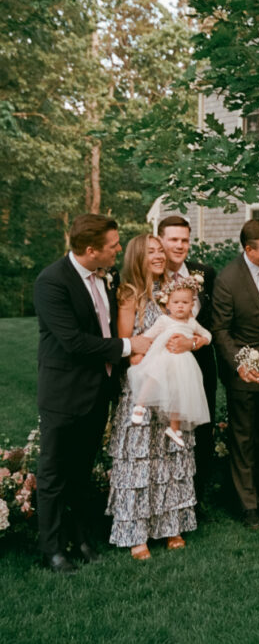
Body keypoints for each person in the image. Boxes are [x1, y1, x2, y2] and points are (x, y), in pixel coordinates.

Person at [34, 214, 151, 573]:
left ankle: (82, 539)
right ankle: (51, 549)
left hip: (99, 391)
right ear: (90, 250)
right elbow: (72, 342)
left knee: (83, 471)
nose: (119, 250)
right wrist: (129, 345)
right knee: (54, 473)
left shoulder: (106, 277)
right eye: (114, 246)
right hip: (65, 392)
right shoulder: (52, 282)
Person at [106, 234, 201, 560]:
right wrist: (153, 348)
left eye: (161, 250)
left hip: (175, 386)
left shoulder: (174, 291)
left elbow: (195, 333)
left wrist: (189, 343)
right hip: (144, 386)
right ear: (137, 257)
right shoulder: (130, 293)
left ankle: (171, 526)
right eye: (152, 252)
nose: (159, 255)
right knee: (142, 460)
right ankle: (136, 533)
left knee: (171, 456)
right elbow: (127, 345)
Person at [211, 219, 259, 529]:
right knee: (243, 440)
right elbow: (221, 330)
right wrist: (241, 363)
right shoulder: (228, 280)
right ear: (249, 250)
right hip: (244, 373)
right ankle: (247, 505)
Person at [157, 215, 218, 503]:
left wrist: (193, 342)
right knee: (163, 430)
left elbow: (213, 323)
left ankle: (195, 498)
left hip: (200, 366)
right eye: (173, 239)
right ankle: (164, 497)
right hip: (160, 369)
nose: (180, 246)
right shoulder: (149, 274)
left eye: (184, 240)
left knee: (200, 430)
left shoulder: (204, 273)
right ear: (160, 240)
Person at [127, 278, 213, 447]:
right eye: (176, 302)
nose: (180, 306)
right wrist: (137, 351)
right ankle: (140, 404)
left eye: (185, 302)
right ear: (168, 305)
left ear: (191, 305)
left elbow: (208, 335)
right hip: (164, 358)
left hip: (183, 364)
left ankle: (174, 428)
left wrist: (200, 340)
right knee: (152, 377)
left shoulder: (191, 322)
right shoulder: (164, 321)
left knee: (178, 395)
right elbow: (148, 336)